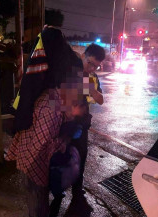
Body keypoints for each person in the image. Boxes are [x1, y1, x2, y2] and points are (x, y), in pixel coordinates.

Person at [5, 72, 87, 217]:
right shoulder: (52, 108)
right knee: (38, 208)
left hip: (32, 161)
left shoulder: (54, 97)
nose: (73, 113)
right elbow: (43, 144)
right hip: (33, 165)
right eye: (75, 101)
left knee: (38, 205)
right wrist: (64, 141)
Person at [71, 44, 105, 201]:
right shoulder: (69, 70)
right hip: (62, 124)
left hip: (81, 126)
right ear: (83, 55)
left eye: (96, 66)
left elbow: (101, 100)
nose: (92, 68)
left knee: (81, 156)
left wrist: (90, 88)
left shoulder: (92, 78)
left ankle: (77, 190)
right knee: (59, 156)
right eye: (90, 63)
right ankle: (57, 191)